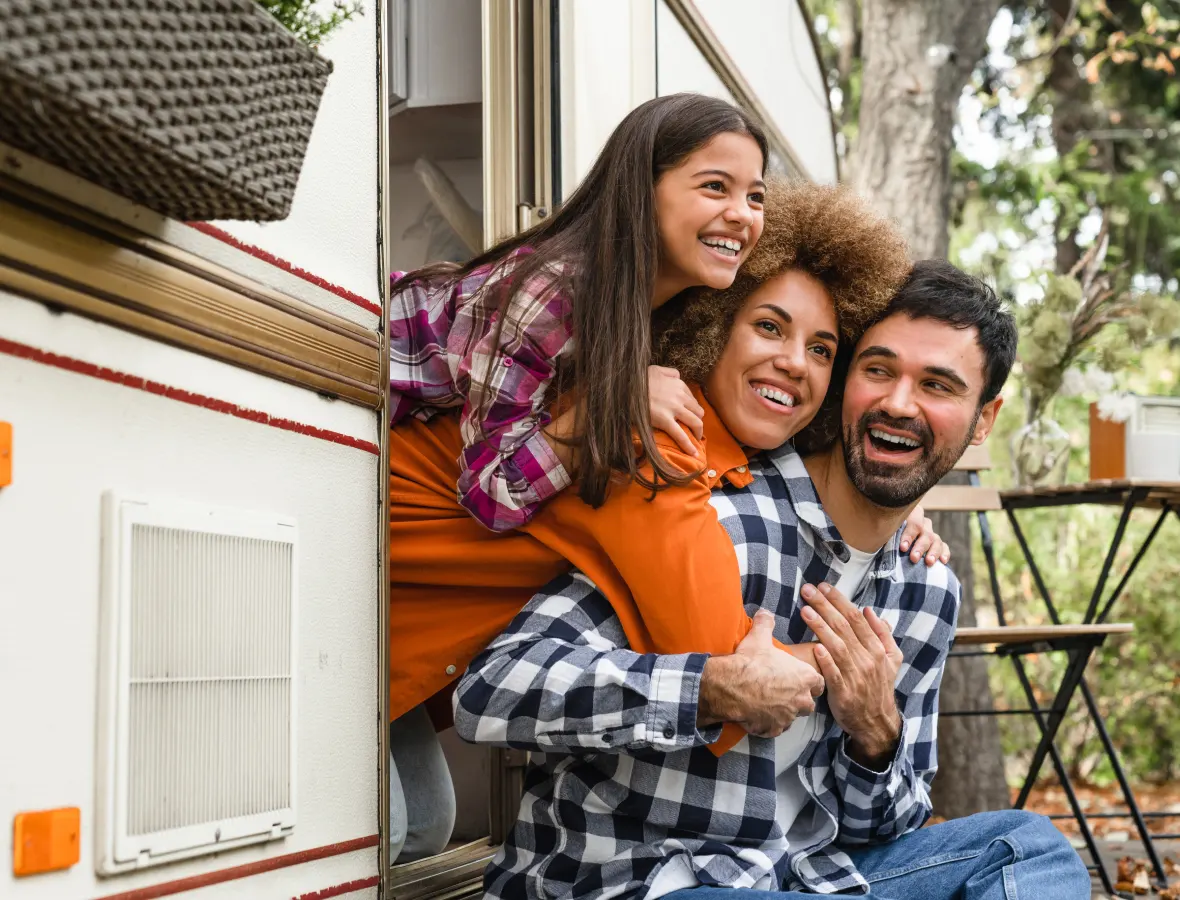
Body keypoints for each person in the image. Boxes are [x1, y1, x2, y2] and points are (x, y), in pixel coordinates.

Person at [454, 260, 1091, 899]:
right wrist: (710, 689)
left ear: (983, 419)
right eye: (878, 370)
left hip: (803, 879)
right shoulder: (710, 516)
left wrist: (875, 733)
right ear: (845, 381)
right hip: (638, 881)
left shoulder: (926, 593)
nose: (899, 403)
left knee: (1029, 852)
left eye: (938, 385)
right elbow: (489, 691)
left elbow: (888, 825)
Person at [387, 178, 946, 861]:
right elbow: (730, 670)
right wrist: (859, 677)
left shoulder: (725, 449)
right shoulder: (659, 437)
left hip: (401, 646)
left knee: (419, 823)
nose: (795, 363)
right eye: (769, 326)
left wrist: (904, 501)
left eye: (824, 350)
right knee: (388, 826)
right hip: (347, 606)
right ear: (712, 327)